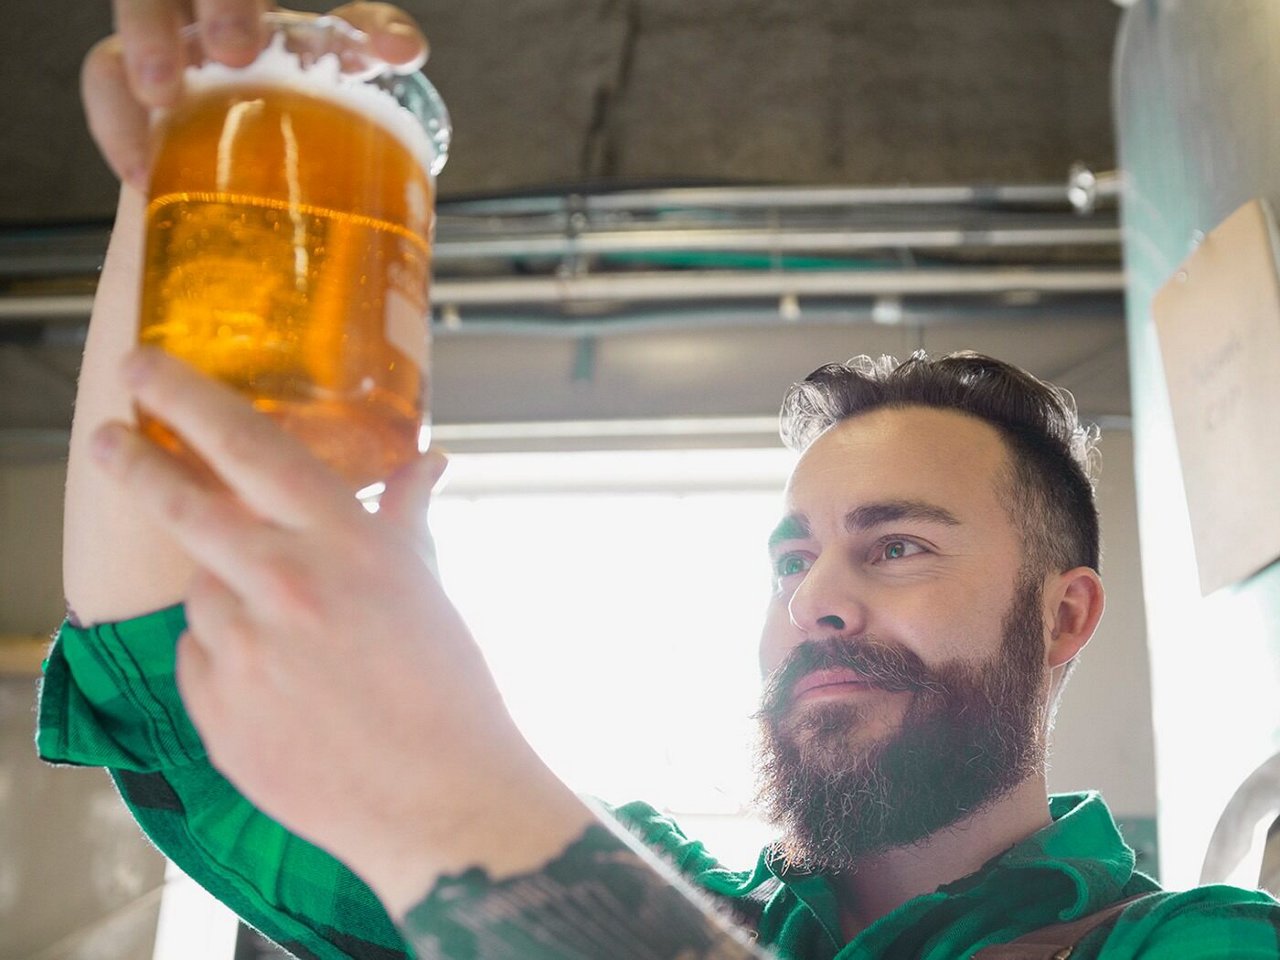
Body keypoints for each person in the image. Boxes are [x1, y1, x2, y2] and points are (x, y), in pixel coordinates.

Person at [38, 3, 1280, 958]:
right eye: (792, 560)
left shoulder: (1199, 940)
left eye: (895, 546)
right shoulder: (665, 884)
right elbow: (162, 666)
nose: (816, 604)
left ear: (1064, 615)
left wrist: (472, 820)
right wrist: (185, 180)